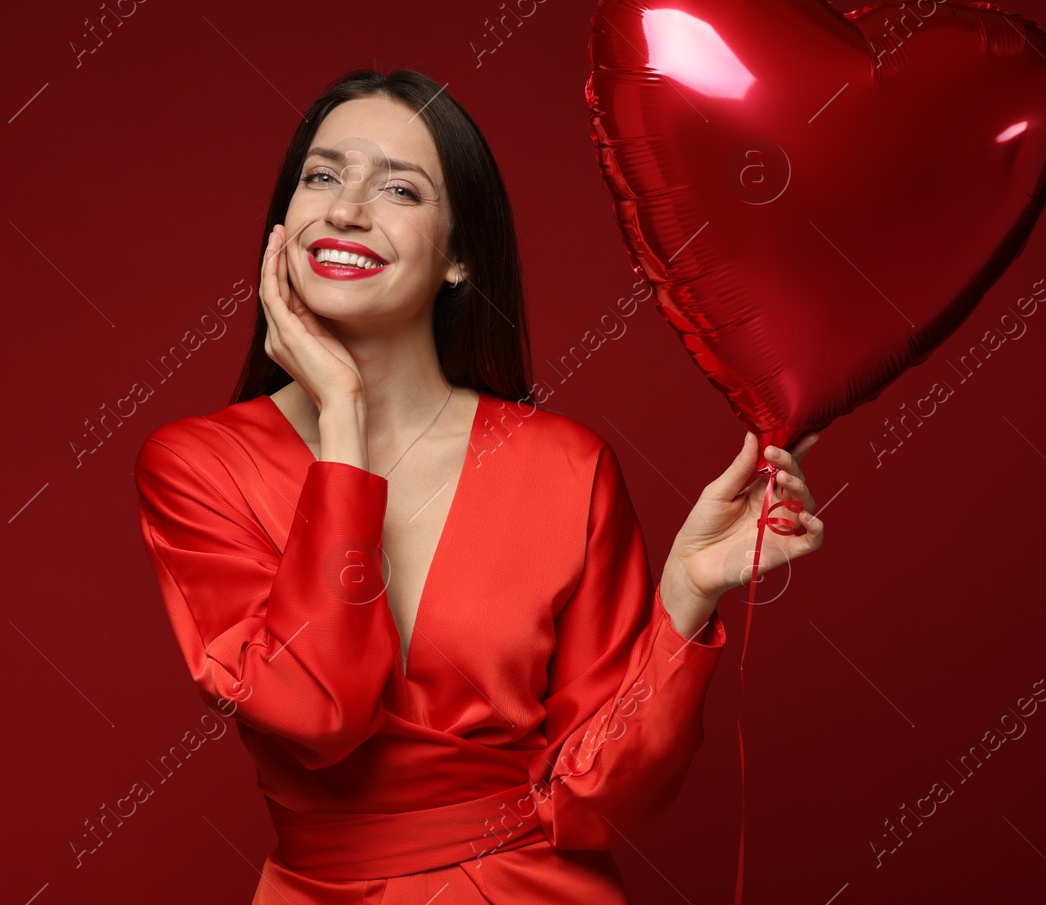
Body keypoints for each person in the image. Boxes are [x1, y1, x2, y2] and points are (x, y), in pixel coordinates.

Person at [132, 68, 825, 903]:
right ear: (284, 223)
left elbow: (604, 803)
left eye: (398, 187)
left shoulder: (564, 464)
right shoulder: (195, 465)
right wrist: (342, 419)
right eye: (322, 175)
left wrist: (684, 594)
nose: (347, 208)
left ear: (460, 254)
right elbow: (318, 711)